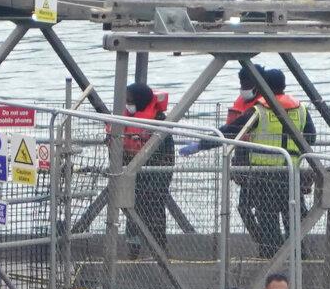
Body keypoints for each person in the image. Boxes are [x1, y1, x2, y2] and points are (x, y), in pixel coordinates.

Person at [189, 68, 316, 258]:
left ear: (264, 87)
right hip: (292, 172)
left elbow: (231, 131)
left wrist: (202, 144)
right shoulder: (301, 109)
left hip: (264, 175)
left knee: (267, 217)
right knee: (294, 217)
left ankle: (270, 256)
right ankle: (299, 256)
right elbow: (311, 137)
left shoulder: (259, 111)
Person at [122, 83, 175, 259]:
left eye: (130, 101)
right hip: (134, 175)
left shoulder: (159, 121)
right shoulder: (127, 118)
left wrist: (160, 182)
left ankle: (160, 249)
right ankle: (133, 250)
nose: (128, 104)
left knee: (155, 212)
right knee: (132, 211)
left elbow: (168, 155)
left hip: (155, 175)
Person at [225, 64, 266, 242]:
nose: (244, 88)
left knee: (263, 208)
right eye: (242, 83)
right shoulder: (240, 103)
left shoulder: (265, 105)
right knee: (244, 208)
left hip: (263, 163)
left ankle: (268, 244)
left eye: (247, 83)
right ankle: (262, 241)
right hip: (243, 159)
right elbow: (231, 131)